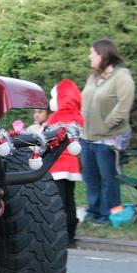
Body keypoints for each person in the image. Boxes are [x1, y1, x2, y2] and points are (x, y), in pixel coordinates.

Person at [79, 39, 135, 224]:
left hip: (108, 139)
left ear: (102, 55)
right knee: (90, 179)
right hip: (87, 137)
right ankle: (93, 212)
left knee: (108, 179)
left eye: (92, 53)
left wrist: (106, 125)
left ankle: (109, 214)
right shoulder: (92, 77)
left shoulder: (122, 77)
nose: (89, 56)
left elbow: (123, 107)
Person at [47, 80, 84, 243]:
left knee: (58, 199)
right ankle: (71, 233)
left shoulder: (55, 117)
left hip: (58, 164)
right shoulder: (78, 117)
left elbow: (48, 140)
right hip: (72, 164)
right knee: (70, 198)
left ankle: (60, 233)